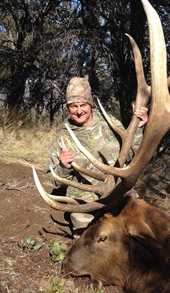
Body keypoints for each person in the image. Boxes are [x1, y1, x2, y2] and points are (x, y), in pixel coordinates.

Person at [48, 77, 148, 238]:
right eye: (73, 106)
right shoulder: (63, 137)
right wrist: (63, 167)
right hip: (86, 202)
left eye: (83, 105)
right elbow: (54, 180)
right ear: (68, 107)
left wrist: (138, 129)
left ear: (90, 105)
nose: (79, 111)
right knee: (88, 247)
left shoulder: (110, 124)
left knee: (139, 236)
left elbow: (130, 154)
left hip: (117, 194)